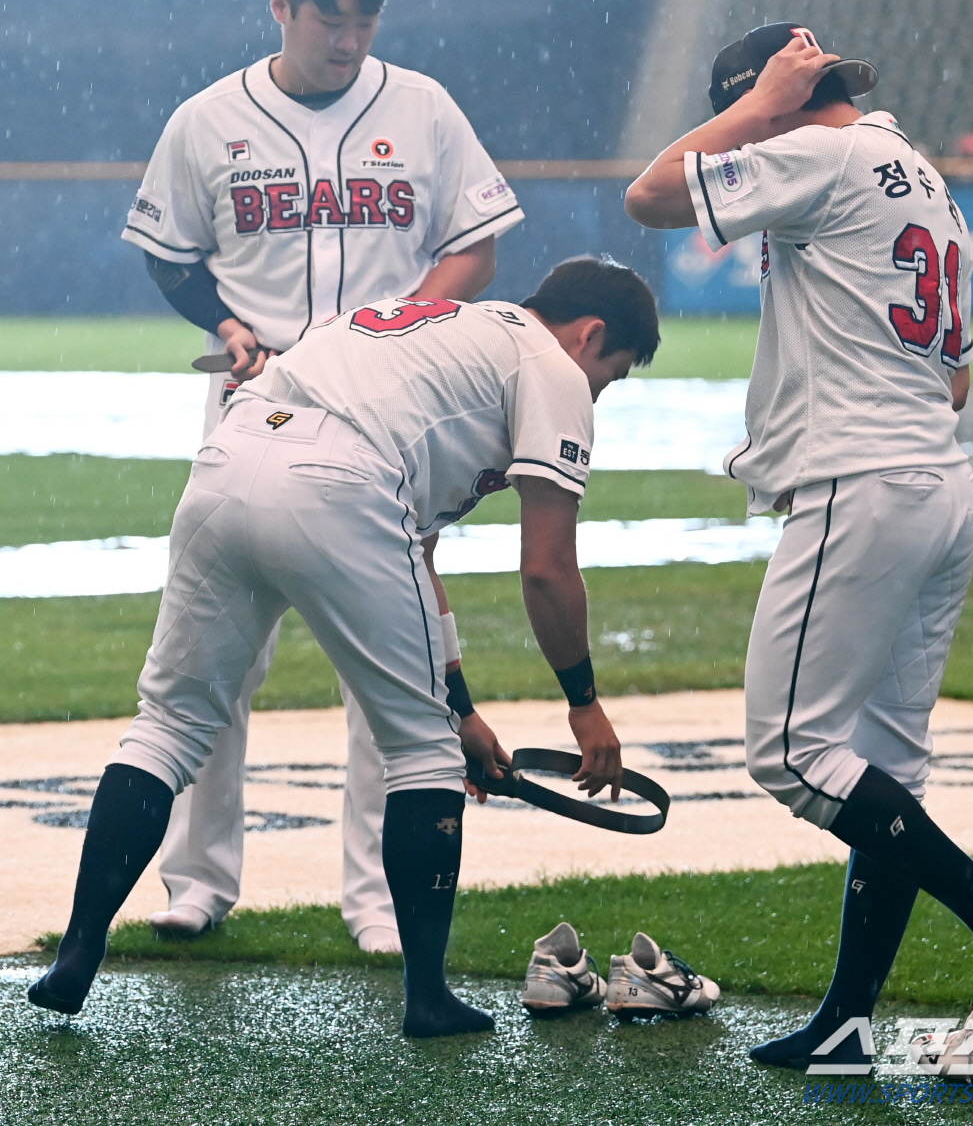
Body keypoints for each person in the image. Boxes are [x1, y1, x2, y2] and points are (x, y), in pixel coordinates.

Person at [29, 256, 660, 1036]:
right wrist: (584, 705)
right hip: (341, 481)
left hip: (230, 456)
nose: (597, 393)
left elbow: (416, 556)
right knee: (421, 754)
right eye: (610, 376)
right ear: (590, 334)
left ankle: (78, 951)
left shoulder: (441, 329)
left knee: (168, 725)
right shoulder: (552, 366)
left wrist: (462, 708)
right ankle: (428, 1000)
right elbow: (548, 569)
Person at [625, 24, 973, 1073]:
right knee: (885, 766)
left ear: (776, 99)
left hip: (859, 486)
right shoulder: (924, 175)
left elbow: (650, 195)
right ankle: (848, 1022)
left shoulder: (820, 152)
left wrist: (755, 107)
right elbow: (956, 379)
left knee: (791, 753)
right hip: (940, 486)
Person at [120, 0, 524, 953]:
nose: (348, 43)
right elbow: (170, 254)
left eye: (364, 23)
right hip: (252, 411)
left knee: (389, 667)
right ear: (279, 6)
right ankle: (197, 881)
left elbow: (475, 245)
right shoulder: (209, 120)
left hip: (386, 428)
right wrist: (225, 322)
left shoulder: (423, 108)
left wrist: (401, 331)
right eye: (328, 22)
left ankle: (378, 897)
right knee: (215, 661)